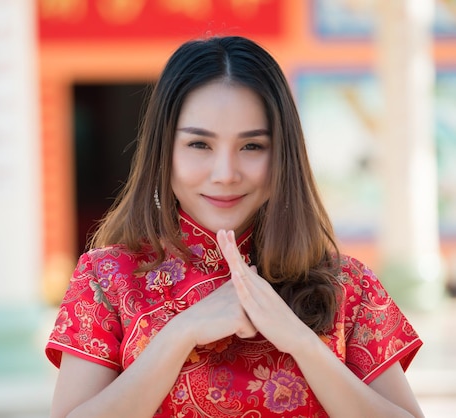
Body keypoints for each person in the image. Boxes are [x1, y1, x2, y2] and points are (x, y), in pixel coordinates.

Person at [45, 35, 425, 418]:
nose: (225, 174)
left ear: (282, 155)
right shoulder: (108, 278)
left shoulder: (346, 285)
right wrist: (181, 333)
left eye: (252, 147)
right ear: (165, 151)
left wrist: (302, 342)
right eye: (199, 145)